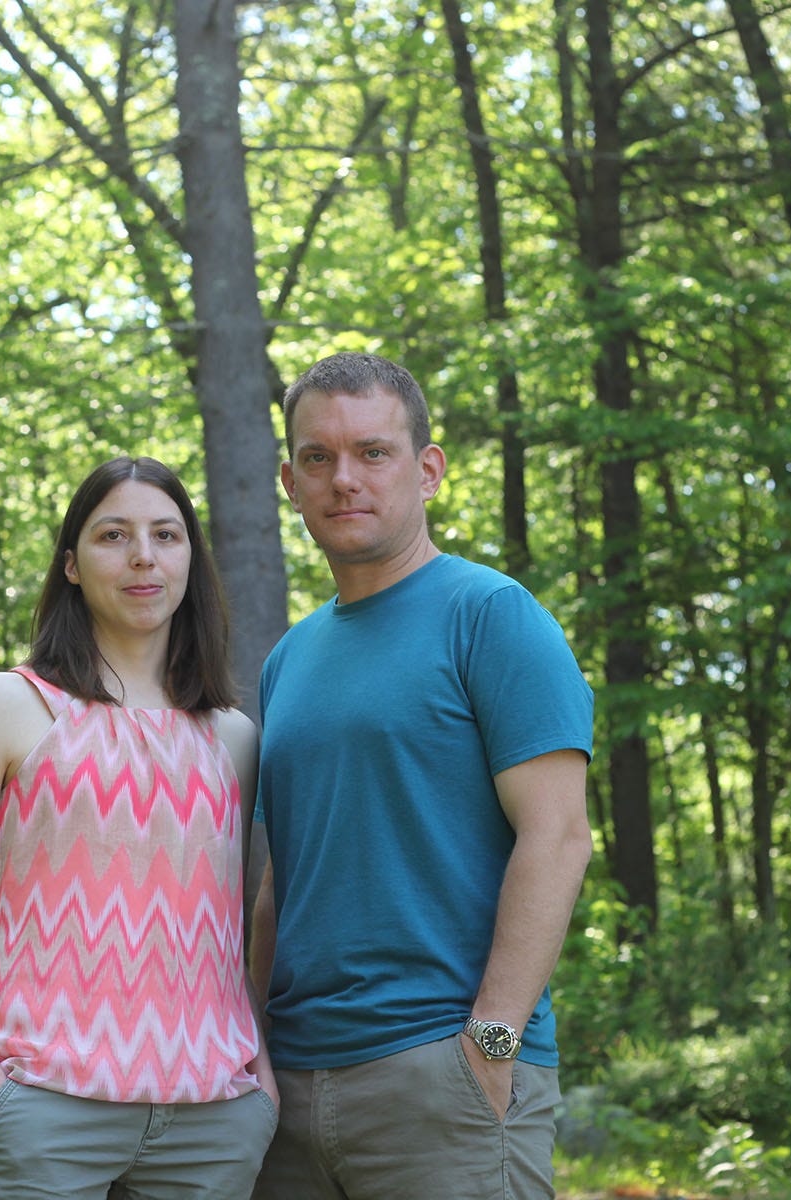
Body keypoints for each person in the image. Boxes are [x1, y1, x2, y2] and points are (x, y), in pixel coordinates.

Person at [249, 352, 595, 1200]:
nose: (344, 480)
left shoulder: (492, 616)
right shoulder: (288, 657)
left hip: (441, 1079)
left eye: (373, 452)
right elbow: (279, 881)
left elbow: (558, 837)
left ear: (427, 469)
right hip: (290, 1085)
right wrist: (249, 1045)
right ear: (289, 482)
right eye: (318, 458)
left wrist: (492, 1044)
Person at [0, 455, 277, 1200]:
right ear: (72, 564)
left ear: (190, 562)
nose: (144, 555)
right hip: (44, 1111)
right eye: (114, 535)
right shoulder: (2, 706)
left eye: (166, 536)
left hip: (212, 1124)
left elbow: (231, 933)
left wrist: (258, 1082)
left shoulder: (233, 737)